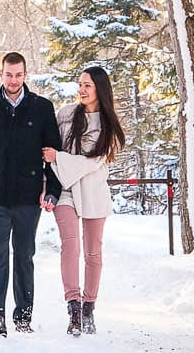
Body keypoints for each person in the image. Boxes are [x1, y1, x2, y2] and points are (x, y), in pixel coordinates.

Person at [0, 51, 64, 337]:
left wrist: (52, 191)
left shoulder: (42, 108)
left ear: (25, 75)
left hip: (28, 198)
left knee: (24, 254)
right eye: (8, 74)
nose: (13, 80)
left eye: (18, 75)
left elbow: (52, 154)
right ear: (1, 74)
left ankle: (23, 314)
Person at [43, 64, 126, 337]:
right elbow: (49, 147)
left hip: (92, 192)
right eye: (80, 84)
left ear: (99, 89)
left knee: (93, 253)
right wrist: (48, 183)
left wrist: (59, 158)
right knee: (70, 246)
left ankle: (89, 307)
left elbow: (91, 162)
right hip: (65, 191)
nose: (81, 89)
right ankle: (74, 308)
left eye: (87, 85)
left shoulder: (109, 127)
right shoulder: (66, 114)